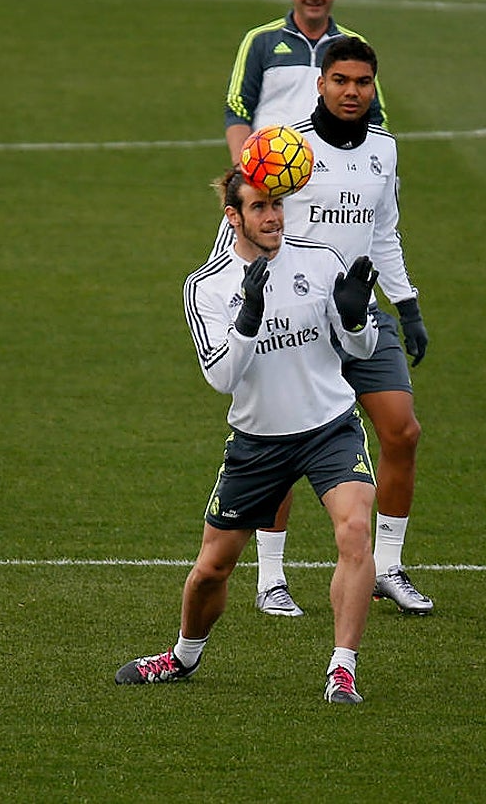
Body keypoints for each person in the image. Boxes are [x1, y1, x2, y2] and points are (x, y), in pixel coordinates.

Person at [116, 168, 380, 703]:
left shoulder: (319, 260)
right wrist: (248, 319)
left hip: (330, 427)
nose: (274, 216)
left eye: (277, 204)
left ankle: (343, 669)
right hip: (258, 442)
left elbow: (361, 350)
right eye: (259, 207)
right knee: (213, 568)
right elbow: (220, 378)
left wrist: (355, 321)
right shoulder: (207, 286)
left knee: (355, 531)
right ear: (233, 216)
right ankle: (183, 657)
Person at [217, 37, 432, 617]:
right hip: (298, 314)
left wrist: (405, 303)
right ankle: (271, 576)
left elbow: (384, 230)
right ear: (321, 84)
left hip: (358, 312)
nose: (352, 92)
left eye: (362, 82)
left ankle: (387, 565)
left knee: (402, 432)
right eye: (341, 81)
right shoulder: (286, 152)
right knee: (287, 438)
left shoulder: (384, 151)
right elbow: (243, 217)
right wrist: (241, 293)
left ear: (373, 88)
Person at [223, 0, 386, 164]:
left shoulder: (353, 46)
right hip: (271, 171)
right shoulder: (261, 40)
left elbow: (375, 116)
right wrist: (243, 168)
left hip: (335, 171)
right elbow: (238, 108)